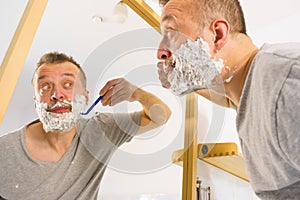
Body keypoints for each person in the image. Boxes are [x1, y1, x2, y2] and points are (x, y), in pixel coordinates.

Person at [156, 0, 300, 199]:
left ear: (217, 35)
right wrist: (180, 80)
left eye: (171, 32)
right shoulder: (250, 92)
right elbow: (225, 97)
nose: (160, 52)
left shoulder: (283, 83)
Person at [0, 52, 171, 199]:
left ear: (86, 97)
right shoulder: (5, 150)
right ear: (36, 101)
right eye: (45, 86)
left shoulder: (101, 130)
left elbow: (161, 115)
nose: (57, 95)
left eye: (68, 84)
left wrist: (136, 93)